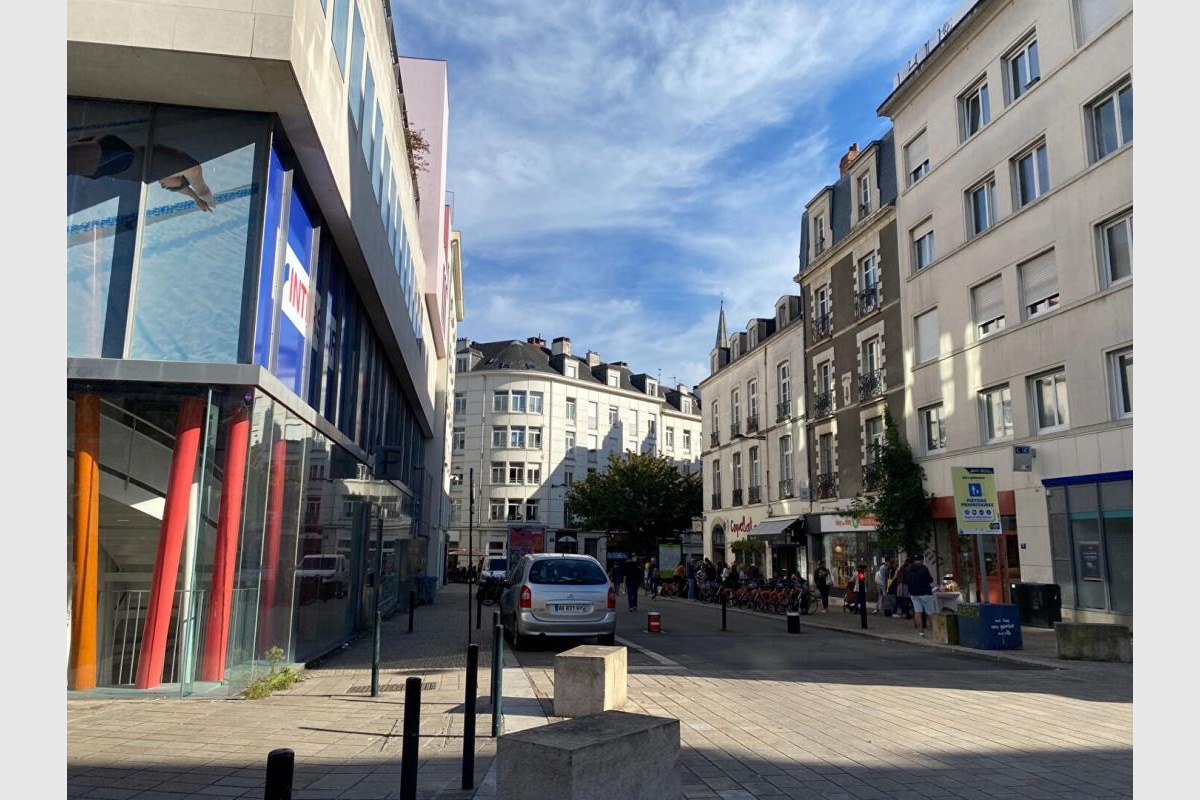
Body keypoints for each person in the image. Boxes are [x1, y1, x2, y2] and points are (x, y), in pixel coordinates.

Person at [68, 134, 218, 212]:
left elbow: (183, 188)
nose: (162, 186)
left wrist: (195, 199)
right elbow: (200, 187)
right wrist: (210, 200)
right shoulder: (182, 165)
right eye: (168, 187)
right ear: (179, 178)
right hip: (118, 155)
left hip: (111, 164)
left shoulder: (161, 172)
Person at [906, 553, 937, 636]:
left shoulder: (909, 569)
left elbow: (907, 580)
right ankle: (935, 631)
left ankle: (921, 631)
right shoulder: (924, 569)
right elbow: (930, 580)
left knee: (917, 612)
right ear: (922, 560)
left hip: (913, 593)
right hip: (925, 593)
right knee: (930, 612)